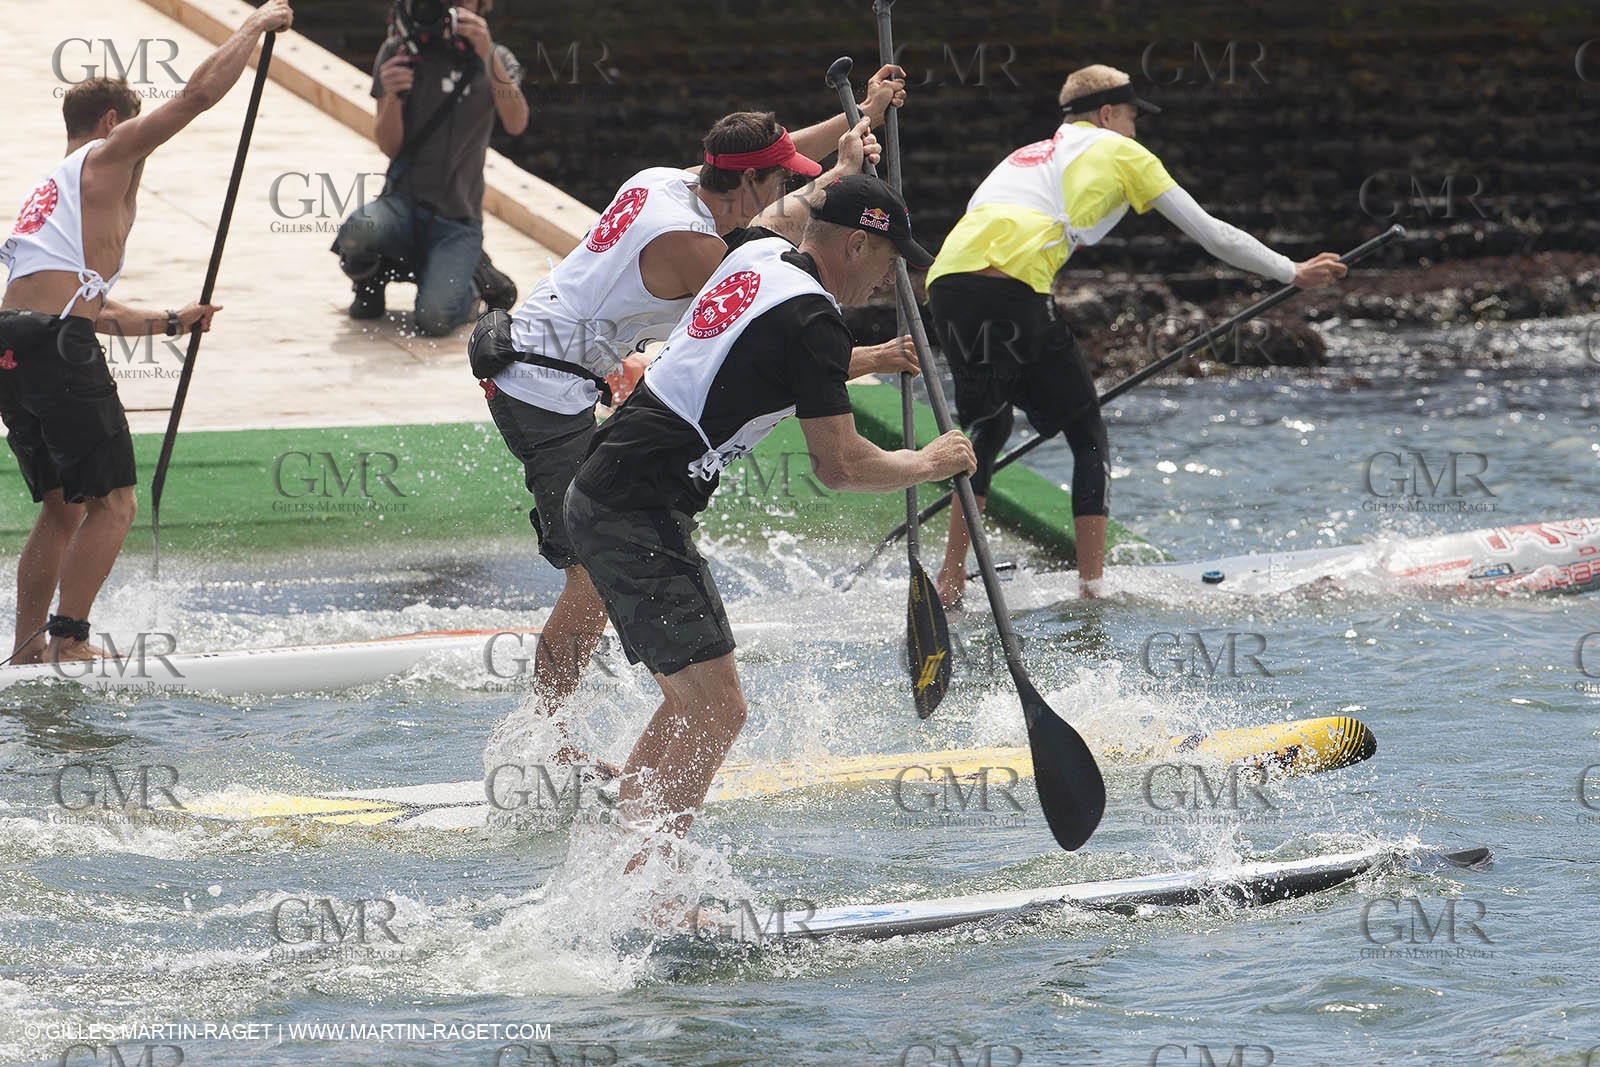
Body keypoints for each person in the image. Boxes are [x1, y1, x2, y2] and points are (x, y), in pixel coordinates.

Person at [476, 70, 915, 769]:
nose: (782, 194)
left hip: (537, 358)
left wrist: (851, 131)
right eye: (776, 184)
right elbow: (763, 347)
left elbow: (777, 173)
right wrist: (875, 351)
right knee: (589, 572)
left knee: (593, 560)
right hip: (538, 387)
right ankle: (543, 740)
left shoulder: (666, 180)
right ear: (744, 188)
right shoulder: (696, 249)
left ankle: (556, 726)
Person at [564, 175, 977, 863]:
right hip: (634, 509)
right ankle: (649, 883)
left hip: (607, 491)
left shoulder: (755, 254)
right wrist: (927, 461)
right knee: (721, 711)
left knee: (688, 697)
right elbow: (840, 464)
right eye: (886, 260)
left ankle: (626, 848)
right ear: (854, 243)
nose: (885, 280)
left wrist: (847, 164)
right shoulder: (815, 321)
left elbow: (775, 347)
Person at [926, 64, 1349, 606]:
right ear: (1107, 114)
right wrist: (1292, 271)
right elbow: (1210, 232)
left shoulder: (1023, 156)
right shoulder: (1123, 153)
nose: (1134, 130)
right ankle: (1091, 588)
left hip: (948, 288)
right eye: (1130, 118)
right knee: (1088, 436)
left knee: (986, 428)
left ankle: (950, 580)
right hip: (1014, 289)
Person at [0, 2, 292, 664]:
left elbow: (82, 306)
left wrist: (166, 321)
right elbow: (195, 95)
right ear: (110, 123)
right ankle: (71, 640)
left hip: (12, 342)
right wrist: (255, 25)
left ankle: (26, 648)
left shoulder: (50, 192)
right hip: (52, 344)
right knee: (116, 503)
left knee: (62, 508)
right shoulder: (106, 154)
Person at [332, 0, 528, 336]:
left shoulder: (497, 58)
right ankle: (370, 283)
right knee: (357, 233)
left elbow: (516, 123)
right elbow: (390, 146)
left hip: (458, 219)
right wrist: (392, 96)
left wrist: (487, 52)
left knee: (434, 320)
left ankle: (473, 283)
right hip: (402, 206)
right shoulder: (399, 51)